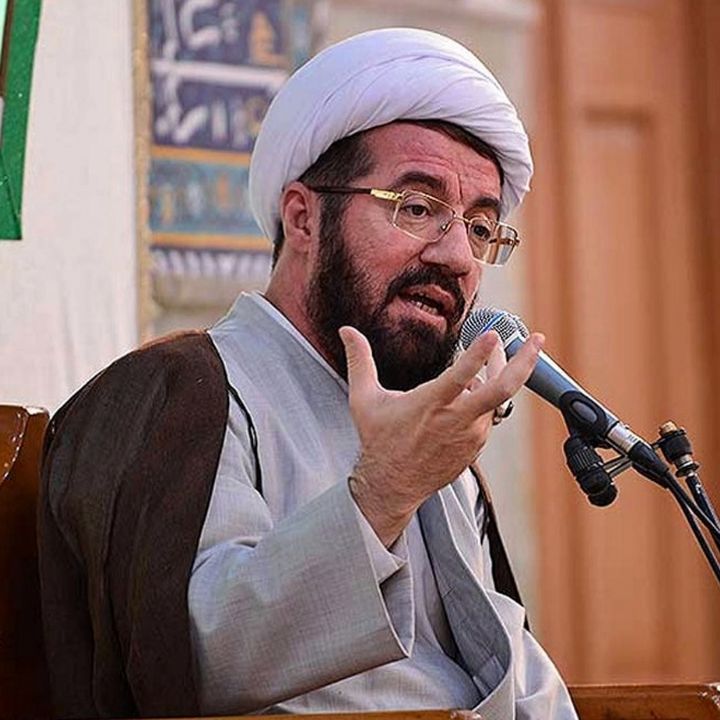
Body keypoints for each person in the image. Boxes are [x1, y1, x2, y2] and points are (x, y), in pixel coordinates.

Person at [38, 28, 578, 720]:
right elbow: (188, 665)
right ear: (302, 218)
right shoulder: (181, 393)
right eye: (417, 208)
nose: (457, 257)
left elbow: (511, 677)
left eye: (479, 227)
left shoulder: (433, 441)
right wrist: (382, 494)